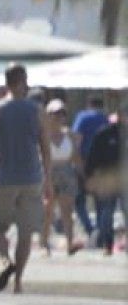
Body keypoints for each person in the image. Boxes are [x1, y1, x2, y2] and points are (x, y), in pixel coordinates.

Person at [0, 64, 54, 295]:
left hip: (4, 177)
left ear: (6, 81)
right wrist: (48, 178)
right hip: (32, 177)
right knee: (25, 233)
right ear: (24, 81)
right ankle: (18, 281)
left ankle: (5, 261)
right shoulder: (37, 111)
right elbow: (45, 146)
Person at [43, 100, 83, 255]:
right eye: (54, 114)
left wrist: (83, 174)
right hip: (49, 171)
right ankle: (45, 243)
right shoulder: (43, 135)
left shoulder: (70, 135)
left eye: (61, 114)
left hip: (66, 171)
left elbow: (75, 157)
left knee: (67, 210)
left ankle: (69, 243)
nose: (58, 117)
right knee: (48, 210)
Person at [71, 95, 110, 247]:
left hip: (86, 162)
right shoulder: (106, 119)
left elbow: (77, 139)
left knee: (79, 200)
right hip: (103, 165)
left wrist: (77, 163)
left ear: (89, 104)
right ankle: (101, 232)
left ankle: (90, 229)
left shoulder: (83, 117)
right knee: (101, 202)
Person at [82, 110, 121, 256]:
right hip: (107, 178)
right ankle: (107, 244)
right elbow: (92, 157)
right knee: (106, 212)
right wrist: (90, 176)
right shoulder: (103, 135)